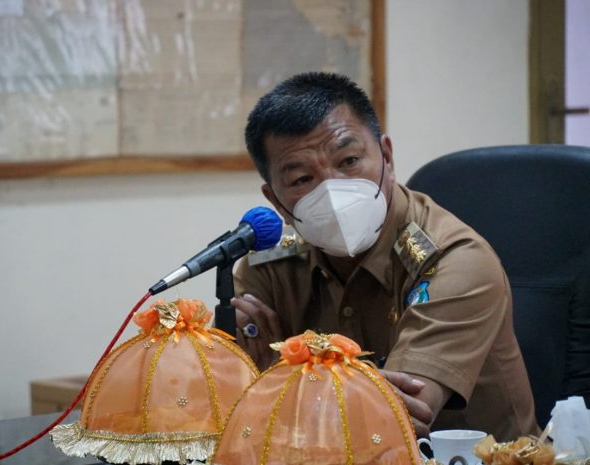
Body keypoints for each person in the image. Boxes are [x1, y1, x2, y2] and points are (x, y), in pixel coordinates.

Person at [231, 72, 539, 440]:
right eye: (301, 180)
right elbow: (228, 410)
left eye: (348, 161)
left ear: (387, 157)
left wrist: (277, 378)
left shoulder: (455, 259)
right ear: (275, 201)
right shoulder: (268, 267)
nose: (332, 189)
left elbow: (394, 419)